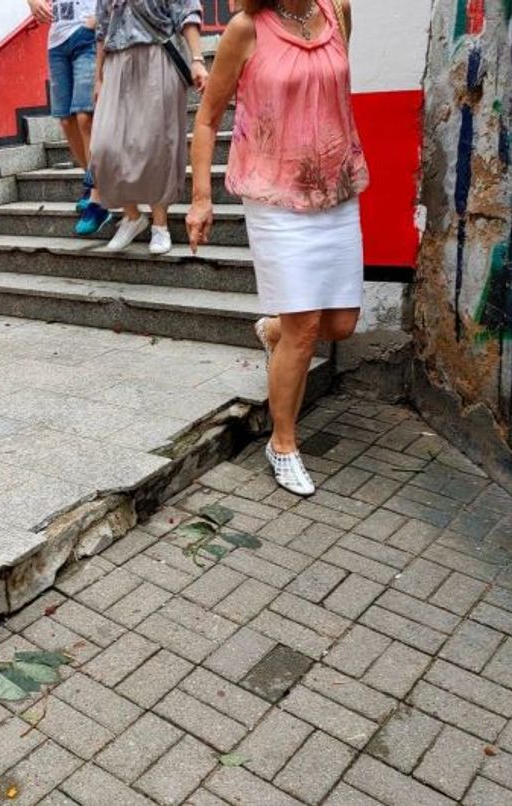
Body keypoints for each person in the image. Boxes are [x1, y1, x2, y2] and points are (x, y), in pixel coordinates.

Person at [186, 0, 369, 495]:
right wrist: (201, 200)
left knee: (341, 325)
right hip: (275, 197)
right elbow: (206, 120)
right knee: (306, 328)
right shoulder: (246, 30)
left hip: (334, 190)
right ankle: (282, 444)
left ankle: (273, 329)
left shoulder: (337, 11)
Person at [90, 0, 209, 254]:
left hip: (159, 55)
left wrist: (197, 58)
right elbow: (102, 28)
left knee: (157, 144)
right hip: (117, 62)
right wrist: (98, 76)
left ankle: (160, 225)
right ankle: (132, 217)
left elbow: (187, 11)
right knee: (103, 146)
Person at [28, 0, 113, 235]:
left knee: (85, 115)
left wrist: (98, 18)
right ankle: (91, 182)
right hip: (57, 40)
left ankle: (99, 196)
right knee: (66, 120)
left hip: (87, 36)